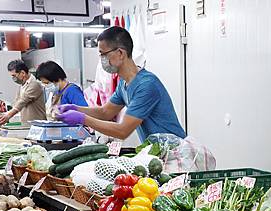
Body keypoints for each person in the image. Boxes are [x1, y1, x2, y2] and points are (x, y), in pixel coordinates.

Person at [57, 26, 185, 141]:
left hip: (175, 154)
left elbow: (122, 131)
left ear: (120, 53)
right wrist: (75, 108)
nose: (102, 59)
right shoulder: (124, 82)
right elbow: (105, 112)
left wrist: (83, 119)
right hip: (158, 152)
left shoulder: (146, 85)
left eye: (103, 54)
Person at [0, 60, 46, 126]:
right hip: (27, 125)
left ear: (23, 73)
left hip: (37, 125)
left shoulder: (34, 84)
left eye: (14, 75)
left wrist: (9, 115)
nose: (13, 78)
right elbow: (17, 102)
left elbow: (23, 101)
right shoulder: (22, 85)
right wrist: (6, 113)